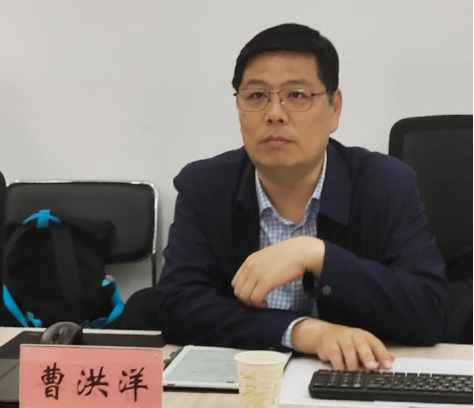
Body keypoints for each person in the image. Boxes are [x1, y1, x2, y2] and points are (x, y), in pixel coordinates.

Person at [140, 23, 450, 371]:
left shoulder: (385, 183)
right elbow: (178, 306)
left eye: (297, 95)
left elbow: (429, 311)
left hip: (354, 379)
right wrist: (302, 331)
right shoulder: (205, 187)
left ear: (334, 109)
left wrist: (318, 256)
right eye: (256, 96)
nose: (275, 113)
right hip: (246, 384)